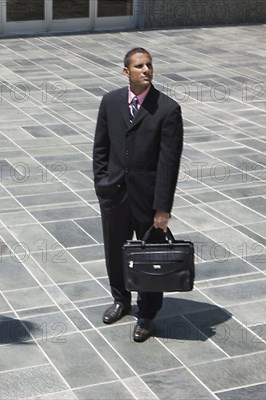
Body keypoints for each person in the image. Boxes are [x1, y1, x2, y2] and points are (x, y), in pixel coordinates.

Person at [92, 48, 184, 342]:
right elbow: (101, 148)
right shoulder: (110, 102)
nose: (146, 70)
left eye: (149, 65)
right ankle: (121, 299)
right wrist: (102, 183)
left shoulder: (167, 109)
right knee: (115, 250)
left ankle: (147, 313)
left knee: (149, 257)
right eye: (139, 66)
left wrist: (162, 208)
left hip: (148, 199)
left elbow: (169, 164)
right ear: (126, 72)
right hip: (115, 193)